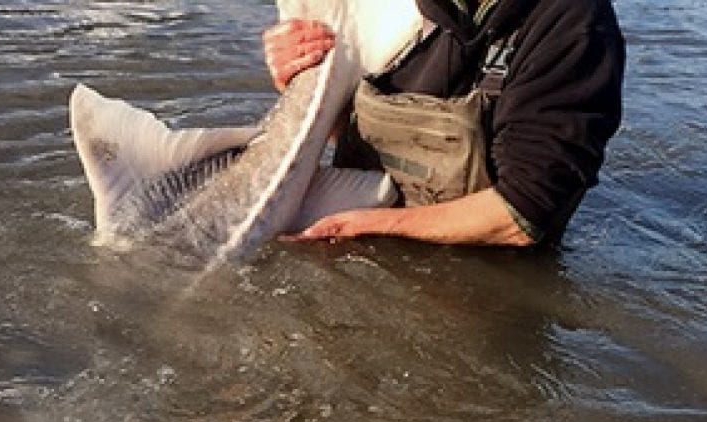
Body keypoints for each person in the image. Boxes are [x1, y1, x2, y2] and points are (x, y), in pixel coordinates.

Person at [266, 0, 624, 247]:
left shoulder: (575, 23)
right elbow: (350, 136)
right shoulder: (404, 14)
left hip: (482, 281)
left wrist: (364, 225)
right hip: (353, 234)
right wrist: (302, 78)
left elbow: (525, 214)